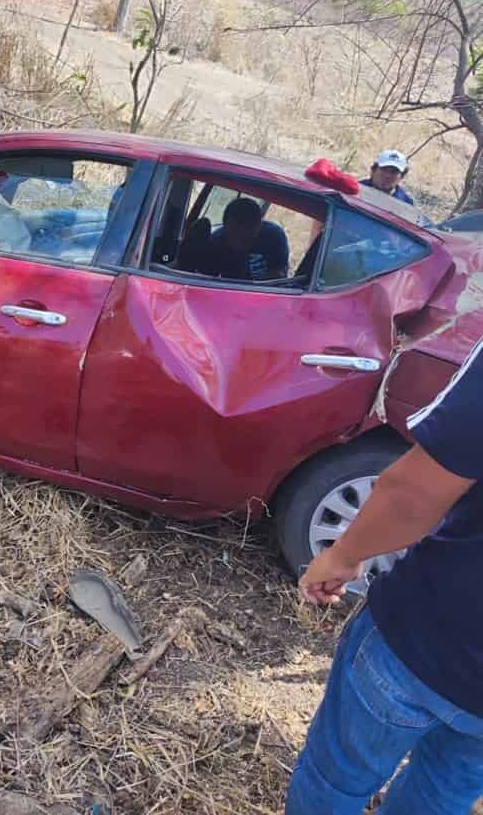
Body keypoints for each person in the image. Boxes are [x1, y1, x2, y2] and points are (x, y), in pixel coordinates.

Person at [286, 337, 483, 815]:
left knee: (338, 778)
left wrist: (342, 557)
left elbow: (415, 492)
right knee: (442, 796)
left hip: (429, 638)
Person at [204, 197, 289, 281]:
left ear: (259, 226)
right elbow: (207, 280)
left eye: (245, 239)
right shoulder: (216, 241)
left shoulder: (274, 237)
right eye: (232, 236)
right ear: (225, 225)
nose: (237, 245)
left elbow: (280, 275)